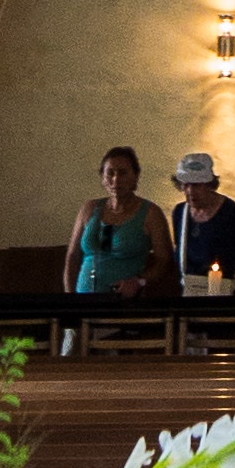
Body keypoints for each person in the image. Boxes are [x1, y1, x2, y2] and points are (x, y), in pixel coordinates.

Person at [64, 145, 161, 351]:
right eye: (110, 173)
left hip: (122, 307)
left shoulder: (151, 213)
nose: (116, 179)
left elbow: (164, 260)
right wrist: (70, 299)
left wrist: (139, 282)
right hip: (83, 304)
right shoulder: (89, 209)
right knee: (72, 365)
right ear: (103, 177)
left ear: (136, 177)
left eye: (123, 173)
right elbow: (73, 256)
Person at [165, 146, 235, 327]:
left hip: (225, 298)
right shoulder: (180, 213)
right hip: (190, 297)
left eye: (197, 185)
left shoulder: (232, 213)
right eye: (185, 185)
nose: (190, 191)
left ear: (209, 185)